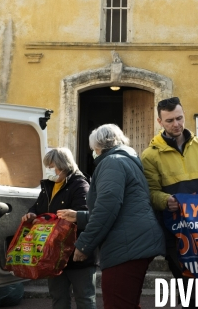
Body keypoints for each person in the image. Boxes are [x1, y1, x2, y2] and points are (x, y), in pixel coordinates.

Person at [58, 124, 164, 309]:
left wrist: (84, 244)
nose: (93, 153)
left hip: (126, 246)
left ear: (98, 147)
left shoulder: (112, 162)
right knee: (127, 302)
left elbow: (108, 207)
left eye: (93, 149)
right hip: (134, 241)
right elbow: (122, 209)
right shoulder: (126, 160)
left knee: (117, 303)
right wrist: (80, 216)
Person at [141, 96, 198, 305]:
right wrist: (166, 200)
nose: (176, 124)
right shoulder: (150, 156)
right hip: (176, 235)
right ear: (159, 122)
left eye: (179, 118)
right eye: (170, 121)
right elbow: (150, 192)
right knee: (189, 291)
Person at [21, 147, 96, 309]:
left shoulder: (80, 185)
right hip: (53, 255)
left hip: (76, 253)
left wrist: (82, 246)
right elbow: (37, 206)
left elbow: (88, 217)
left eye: (52, 166)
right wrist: (31, 214)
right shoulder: (48, 186)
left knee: (84, 299)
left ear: (64, 166)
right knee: (58, 298)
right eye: (47, 166)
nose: (49, 170)